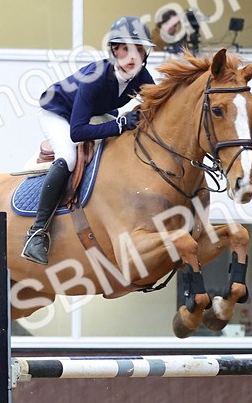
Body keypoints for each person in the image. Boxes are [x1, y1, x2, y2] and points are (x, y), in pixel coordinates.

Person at [23, 15, 157, 265]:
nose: (132, 57)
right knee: (69, 157)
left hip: (94, 114)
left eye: (138, 50)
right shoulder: (95, 77)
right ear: (114, 51)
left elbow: (159, 104)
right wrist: (118, 125)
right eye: (125, 49)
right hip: (59, 114)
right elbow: (78, 132)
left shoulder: (142, 76)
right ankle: (37, 233)